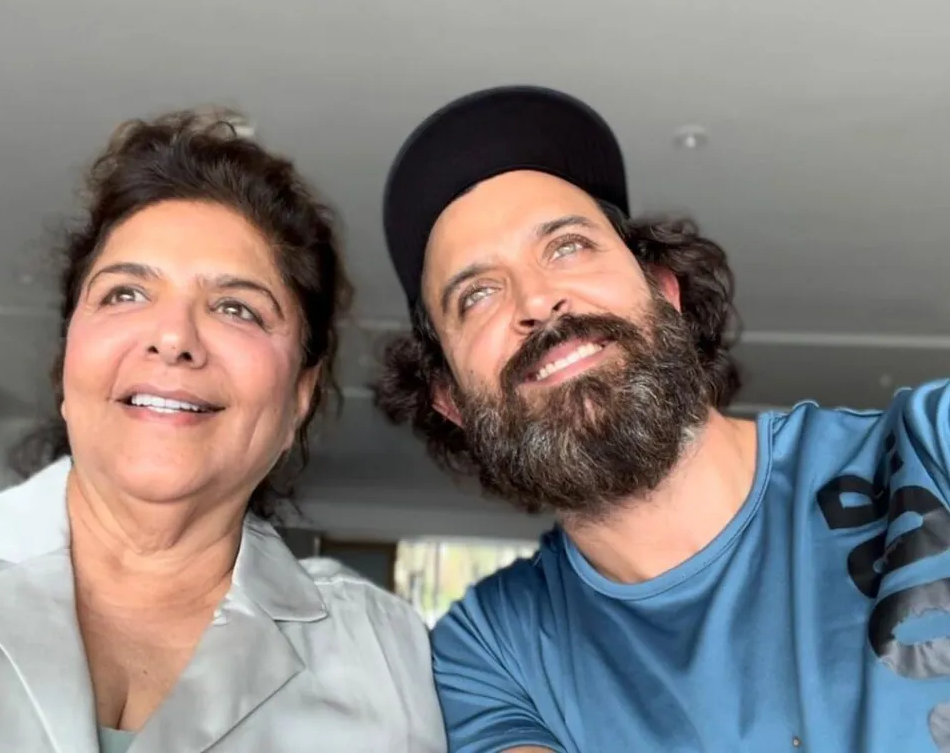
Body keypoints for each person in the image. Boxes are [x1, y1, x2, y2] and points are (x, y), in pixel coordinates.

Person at [374, 84, 950, 753]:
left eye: (567, 248)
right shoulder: (491, 657)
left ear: (663, 290)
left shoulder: (929, 447)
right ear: (449, 400)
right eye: (476, 294)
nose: (537, 299)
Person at [0, 109, 446, 752]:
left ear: (299, 399)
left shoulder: (386, 655)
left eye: (237, 308)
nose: (173, 338)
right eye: (124, 294)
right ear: (68, 363)